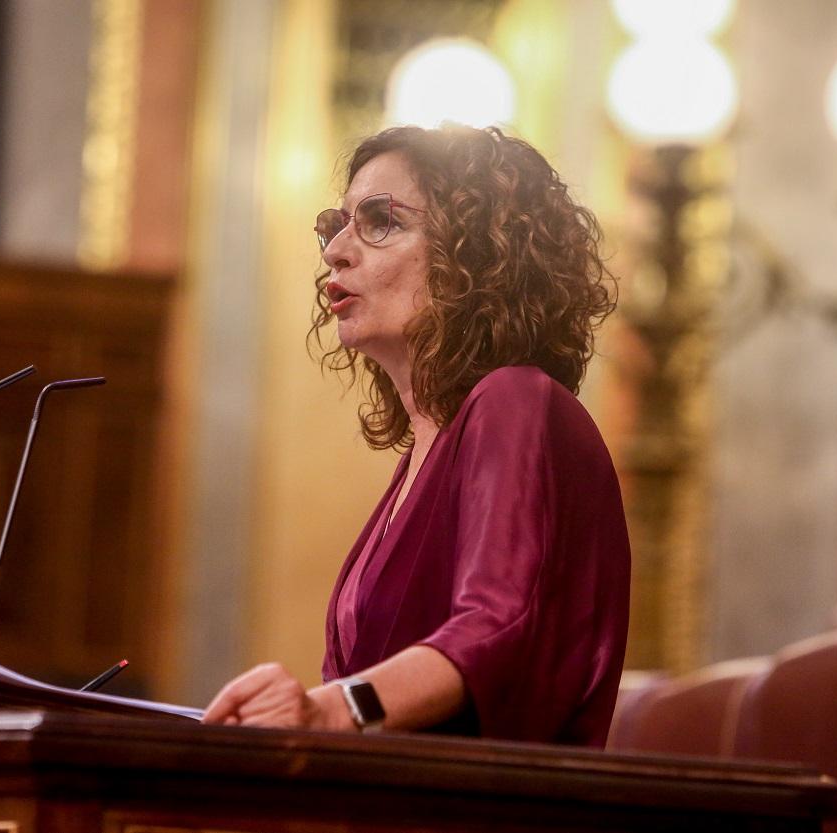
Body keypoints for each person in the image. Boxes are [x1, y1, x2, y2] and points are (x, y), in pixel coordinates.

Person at [201, 124, 630, 746]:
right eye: (336, 225)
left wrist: (326, 712)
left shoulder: (517, 401)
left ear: (479, 254)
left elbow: (497, 628)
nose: (336, 251)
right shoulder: (426, 455)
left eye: (381, 220)